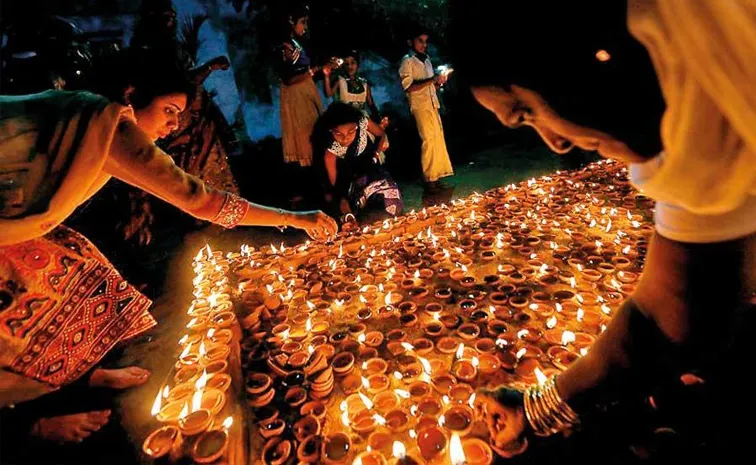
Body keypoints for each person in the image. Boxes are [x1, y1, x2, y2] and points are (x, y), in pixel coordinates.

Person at [450, 1, 755, 459]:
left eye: (526, 112)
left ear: (561, 57)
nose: (555, 141)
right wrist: (537, 407)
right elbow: (671, 312)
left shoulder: (725, 32)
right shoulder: (696, 133)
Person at [0, 47, 337, 443]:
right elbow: (203, 200)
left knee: (71, 275)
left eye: (180, 115)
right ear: (132, 94)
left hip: (16, 230)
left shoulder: (93, 119)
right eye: (169, 111)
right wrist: (295, 219)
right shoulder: (109, 127)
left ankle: (83, 372)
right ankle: (30, 425)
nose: (175, 125)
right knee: (38, 294)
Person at [312, 103, 403, 222]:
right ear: (331, 131)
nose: (345, 138)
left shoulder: (362, 122)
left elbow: (381, 134)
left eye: (350, 132)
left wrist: (376, 154)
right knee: (364, 219)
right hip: (349, 182)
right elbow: (337, 189)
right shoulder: (330, 152)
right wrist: (347, 214)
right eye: (339, 134)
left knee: (391, 202)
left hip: (371, 171)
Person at [399, 25, 454, 191]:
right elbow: (408, 87)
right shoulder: (407, 61)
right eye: (420, 41)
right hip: (419, 106)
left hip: (432, 104)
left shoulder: (427, 59)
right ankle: (429, 179)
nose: (424, 44)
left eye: (425, 42)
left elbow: (429, 86)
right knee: (428, 140)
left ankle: (436, 178)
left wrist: (438, 83)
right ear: (411, 42)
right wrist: (432, 80)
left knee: (437, 139)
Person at [276, 4, 325, 167]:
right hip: (297, 98)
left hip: (306, 93)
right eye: (302, 22)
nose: (305, 27)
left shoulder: (297, 44)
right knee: (307, 139)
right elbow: (288, 79)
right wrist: (312, 71)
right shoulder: (285, 48)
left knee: (316, 135)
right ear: (291, 21)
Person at [324, 50, 383, 123]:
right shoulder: (340, 81)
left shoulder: (364, 83)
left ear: (357, 65)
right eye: (347, 64)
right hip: (345, 119)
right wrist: (326, 76)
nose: (350, 66)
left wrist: (378, 117)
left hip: (362, 120)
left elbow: (370, 104)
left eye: (353, 63)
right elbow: (329, 94)